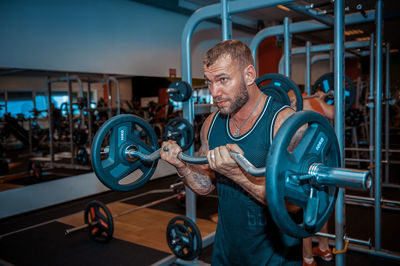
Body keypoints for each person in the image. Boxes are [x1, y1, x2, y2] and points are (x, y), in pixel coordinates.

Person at [160, 39, 305, 265]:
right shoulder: (211, 124)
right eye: (209, 82)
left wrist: (237, 173)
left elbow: (295, 203)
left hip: (275, 257)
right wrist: (182, 166)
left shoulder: (285, 124)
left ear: (249, 75)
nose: (214, 92)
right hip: (226, 253)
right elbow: (205, 184)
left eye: (223, 80)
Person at [288, 90, 334, 266]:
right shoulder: (315, 101)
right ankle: (324, 248)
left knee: (305, 206)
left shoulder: (290, 108)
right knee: (321, 203)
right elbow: (336, 113)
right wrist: (322, 100)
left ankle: (307, 258)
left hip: (304, 162)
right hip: (321, 157)